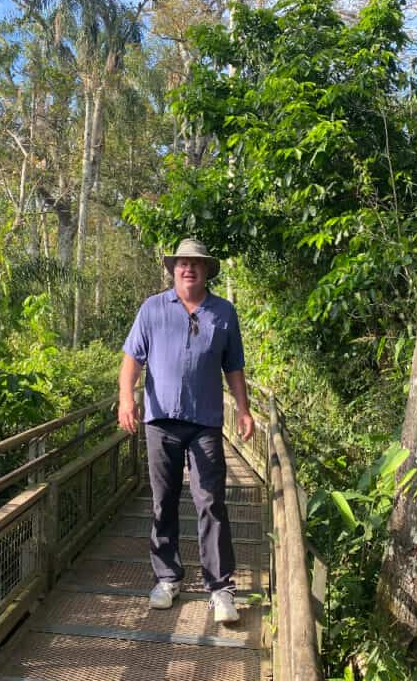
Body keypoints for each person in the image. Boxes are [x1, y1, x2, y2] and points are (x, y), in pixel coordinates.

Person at [118, 238, 255, 624]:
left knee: (211, 501)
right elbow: (132, 358)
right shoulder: (152, 308)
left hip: (206, 422)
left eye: (195, 263)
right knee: (163, 500)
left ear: (207, 270)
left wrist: (243, 410)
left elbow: (234, 368)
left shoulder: (223, 312)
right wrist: (126, 399)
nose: (188, 268)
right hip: (160, 422)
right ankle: (167, 577)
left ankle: (221, 587)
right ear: (172, 269)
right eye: (181, 263)